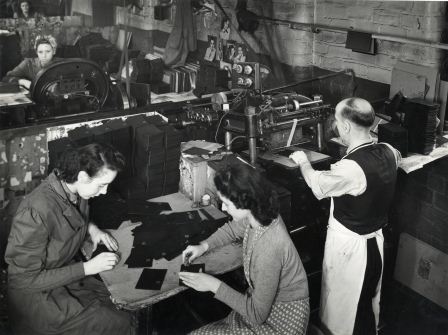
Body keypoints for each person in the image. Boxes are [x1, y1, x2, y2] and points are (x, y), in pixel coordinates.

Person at [289, 98, 401, 335]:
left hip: (350, 251)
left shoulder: (351, 169)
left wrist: (303, 162)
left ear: (347, 127)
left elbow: (318, 184)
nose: (337, 127)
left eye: (338, 122)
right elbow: (383, 164)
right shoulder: (390, 151)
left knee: (342, 310)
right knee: (366, 303)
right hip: (375, 245)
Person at [5, 143, 133, 335]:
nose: (105, 192)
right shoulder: (34, 212)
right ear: (82, 176)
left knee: (121, 304)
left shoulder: (72, 187)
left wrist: (93, 229)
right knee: (119, 323)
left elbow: (70, 217)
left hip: (62, 276)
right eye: (102, 185)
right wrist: (87, 268)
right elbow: (22, 280)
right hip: (36, 297)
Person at [179, 163, 310, 335]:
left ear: (245, 201)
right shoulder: (258, 213)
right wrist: (204, 246)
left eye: (226, 203)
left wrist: (213, 285)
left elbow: (257, 315)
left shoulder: (269, 247)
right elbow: (233, 229)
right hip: (262, 305)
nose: (223, 208)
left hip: (281, 320)